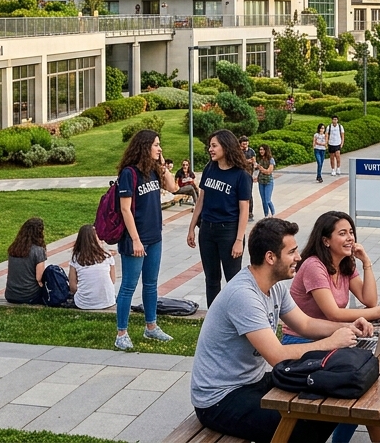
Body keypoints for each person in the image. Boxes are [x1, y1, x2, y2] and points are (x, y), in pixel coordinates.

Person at [190, 218, 372, 443]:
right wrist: (331, 342)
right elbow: (276, 356)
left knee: (333, 396)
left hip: (253, 382)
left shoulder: (275, 286)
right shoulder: (243, 295)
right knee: (302, 429)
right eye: (292, 252)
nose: (298, 257)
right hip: (220, 399)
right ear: (270, 257)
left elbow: (305, 324)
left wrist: (347, 327)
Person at [283, 211, 380, 443]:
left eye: (351, 232)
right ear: (325, 240)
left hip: (331, 338)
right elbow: (334, 313)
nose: (350, 237)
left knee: (363, 376)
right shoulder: (313, 265)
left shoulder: (344, 264)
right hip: (301, 342)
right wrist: (379, 313)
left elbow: (368, 299)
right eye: (342, 233)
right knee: (354, 380)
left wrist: (366, 262)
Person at [114, 129, 175, 350]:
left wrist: (161, 164)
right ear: (144, 146)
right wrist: (136, 240)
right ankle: (121, 333)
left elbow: (173, 187)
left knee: (151, 284)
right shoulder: (129, 174)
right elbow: (125, 209)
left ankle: (151, 327)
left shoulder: (152, 171)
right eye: (156, 145)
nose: (159, 148)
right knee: (129, 286)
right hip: (135, 239)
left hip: (154, 237)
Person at [187, 130, 253, 307]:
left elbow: (244, 208)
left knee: (233, 280)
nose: (210, 149)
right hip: (207, 229)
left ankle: (235, 317)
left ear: (226, 146)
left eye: (214, 145)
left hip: (229, 231)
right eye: (210, 145)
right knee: (212, 278)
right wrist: (192, 227)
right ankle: (213, 318)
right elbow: (201, 199)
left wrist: (239, 239)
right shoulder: (210, 168)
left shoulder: (241, 175)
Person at [68, 224, 116, 310]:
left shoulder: (76, 258)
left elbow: (72, 286)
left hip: (83, 303)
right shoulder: (107, 256)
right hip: (108, 301)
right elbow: (112, 280)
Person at [5, 217, 47, 304]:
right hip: (29, 296)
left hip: (10, 294)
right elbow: (39, 278)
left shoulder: (14, 248)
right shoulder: (38, 250)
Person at [256, 144, 277, 217]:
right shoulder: (260, 159)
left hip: (268, 182)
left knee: (267, 200)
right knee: (263, 200)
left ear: (266, 150)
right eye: (260, 149)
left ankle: (273, 213)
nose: (261, 151)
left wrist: (261, 169)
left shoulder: (271, 159)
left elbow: (269, 171)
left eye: (262, 149)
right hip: (261, 181)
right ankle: (266, 214)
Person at [241, 137, 257, 221]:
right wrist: (248, 161)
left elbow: (254, 161)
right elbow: (240, 161)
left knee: (249, 194)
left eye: (246, 143)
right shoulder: (238, 151)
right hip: (240, 174)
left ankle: (250, 213)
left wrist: (249, 161)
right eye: (243, 144)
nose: (245, 145)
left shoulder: (251, 151)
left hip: (249, 175)